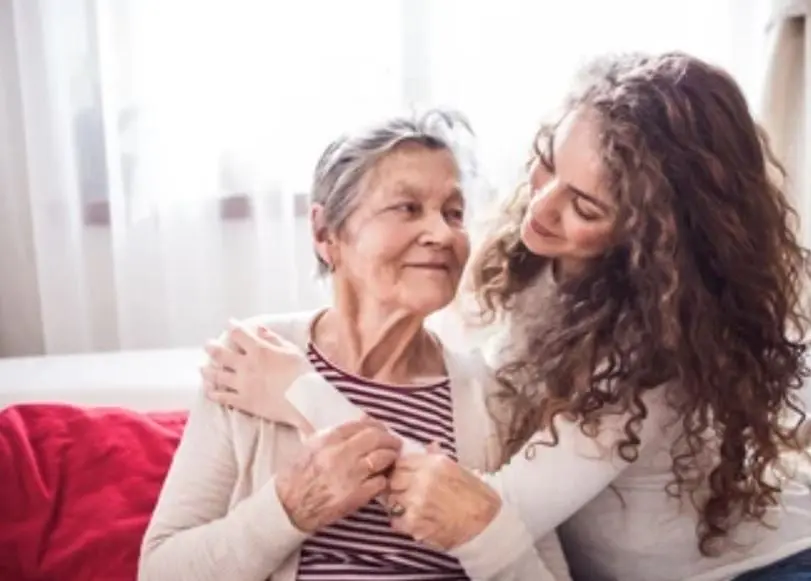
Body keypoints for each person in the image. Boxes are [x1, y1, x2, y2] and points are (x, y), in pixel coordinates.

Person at [203, 52, 811, 581]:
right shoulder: (522, 259)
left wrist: (302, 394)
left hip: (758, 569)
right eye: (548, 161)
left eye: (584, 207)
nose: (539, 208)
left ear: (653, 237)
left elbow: (482, 512)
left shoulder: (650, 349)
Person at [139, 111, 570, 581]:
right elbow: (160, 572)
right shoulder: (252, 359)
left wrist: (477, 527)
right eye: (407, 207)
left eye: (453, 213)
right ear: (326, 233)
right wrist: (287, 509)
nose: (443, 234)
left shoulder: (494, 398)